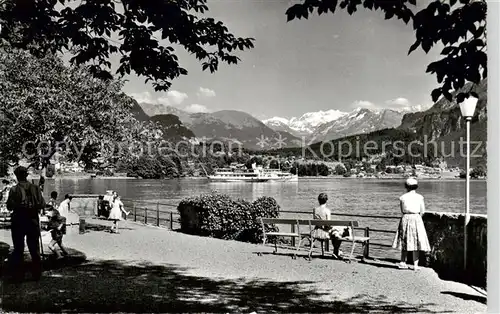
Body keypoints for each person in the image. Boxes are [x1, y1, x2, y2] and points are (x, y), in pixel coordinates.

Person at [6, 166, 46, 281]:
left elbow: (9, 206)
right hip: (32, 220)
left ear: (17, 176)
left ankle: (19, 275)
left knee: (19, 248)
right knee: (34, 248)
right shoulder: (36, 188)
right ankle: (36, 274)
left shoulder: (14, 190)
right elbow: (42, 204)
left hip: (19, 220)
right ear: (26, 175)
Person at [392, 178, 431, 270]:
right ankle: (415, 265)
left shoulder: (402, 197)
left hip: (406, 218)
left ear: (406, 186)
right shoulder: (420, 197)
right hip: (416, 218)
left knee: (404, 240)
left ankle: (402, 262)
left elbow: (402, 211)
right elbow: (423, 211)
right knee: (416, 241)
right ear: (416, 186)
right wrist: (417, 217)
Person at [311, 193, 349, 258]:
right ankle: (336, 252)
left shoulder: (315, 210)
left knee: (336, 232)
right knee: (337, 233)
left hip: (316, 232)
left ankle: (336, 252)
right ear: (326, 200)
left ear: (318, 200)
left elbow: (316, 221)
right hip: (325, 233)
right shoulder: (327, 211)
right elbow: (328, 224)